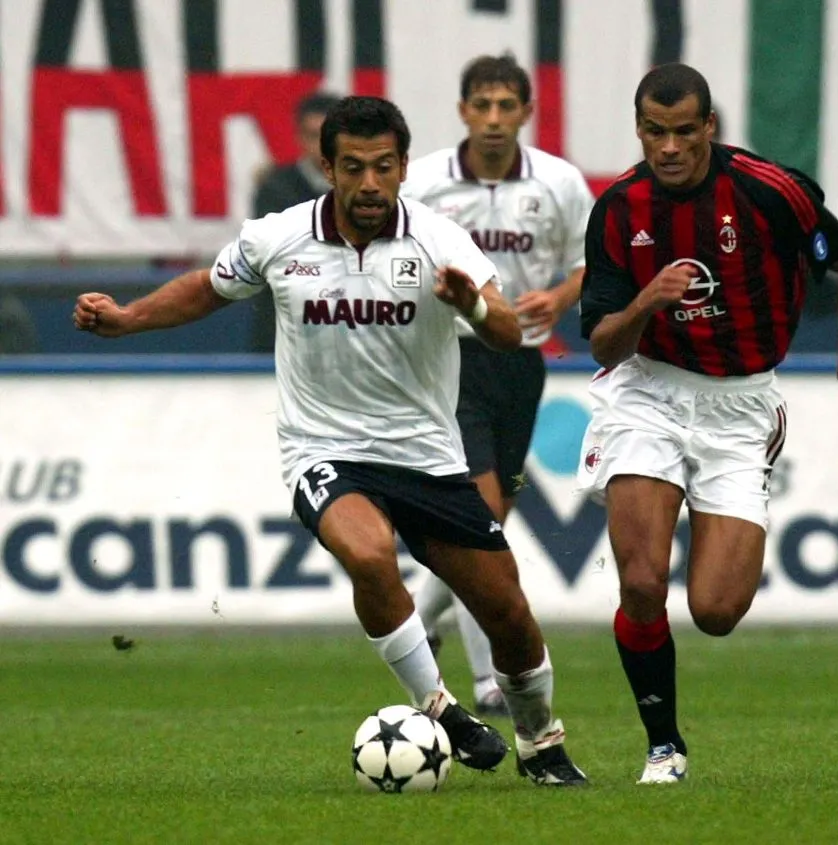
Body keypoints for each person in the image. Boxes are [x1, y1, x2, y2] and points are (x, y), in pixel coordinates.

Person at [73, 96, 586, 787]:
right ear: (328, 168)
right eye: (353, 168)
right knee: (369, 553)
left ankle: (540, 739)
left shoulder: (439, 238)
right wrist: (127, 317)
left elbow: (504, 329)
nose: (369, 184)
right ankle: (441, 707)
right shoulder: (279, 237)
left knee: (510, 617)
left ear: (403, 167)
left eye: (382, 168)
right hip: (324, 449)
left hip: (427, 456)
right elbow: (208, 287)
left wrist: (468, 301)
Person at [576, 64, 838, 784]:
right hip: (648, 391)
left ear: (709, 127)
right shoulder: (619, 210)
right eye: (655, 132)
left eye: (686, 131)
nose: (670, 147)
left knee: (715, 609)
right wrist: (646, 302)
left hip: (742, 404)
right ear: (640, 131)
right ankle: (663, 746)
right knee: (643, 580)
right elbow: (601, 343)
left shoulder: (771, 191)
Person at [401, 54, 594, 717]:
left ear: (525, 111)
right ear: (462, 111)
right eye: (479, 105)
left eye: (504, 105)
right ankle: (488, 680)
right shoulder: (423, 182)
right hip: (450, 361)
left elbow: (587, 262)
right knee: (481, 520)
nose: (491, 119)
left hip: (520, 363)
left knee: (493, 517)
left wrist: (561, 295)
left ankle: (421, 614)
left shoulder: (561, 183)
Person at [248, 91, 344, 353]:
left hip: (350, 330)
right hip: (285, 330)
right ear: (300, 137)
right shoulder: (275, 188)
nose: (321, 144)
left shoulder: (365, 186)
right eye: (313, 135)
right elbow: (274, 253)